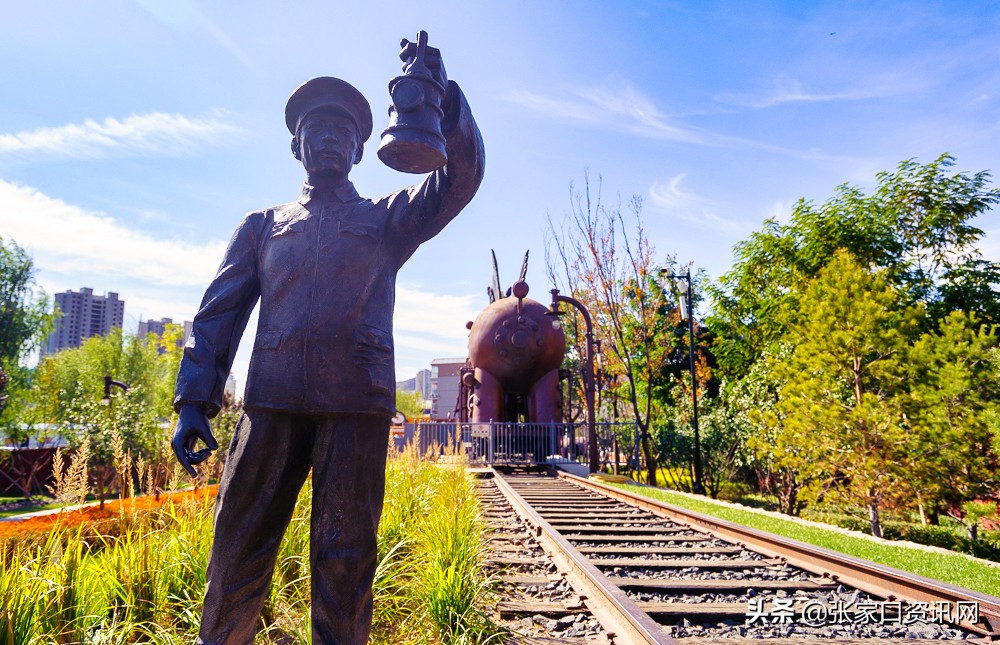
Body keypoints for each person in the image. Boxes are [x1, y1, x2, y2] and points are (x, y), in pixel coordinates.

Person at [170, 43, 484, 644]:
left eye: (343, 131)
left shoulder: (387, 221)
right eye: (317, 129)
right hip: (271, 409)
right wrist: (193, 400)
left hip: (353, 412)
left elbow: (461, 178)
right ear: (296, 145)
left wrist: (441, 100)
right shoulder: (262, 226)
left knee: (344, 564)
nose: (331, 139)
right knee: (236, 550)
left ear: (363, 148)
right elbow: (216, 316)